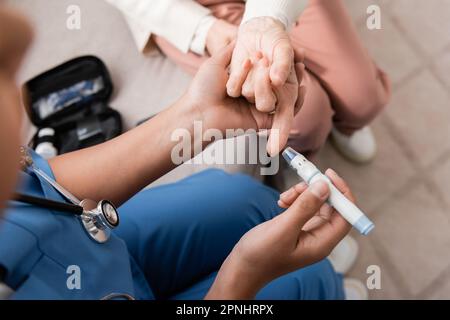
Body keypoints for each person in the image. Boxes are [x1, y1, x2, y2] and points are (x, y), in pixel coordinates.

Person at [0, 4, 361, 300]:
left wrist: (198, 116)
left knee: (240, 197)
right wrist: (242, 276)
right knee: (303, 282)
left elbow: (41, 184)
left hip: (88, 244)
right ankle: (325, 287)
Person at [107, 0, 391, 162]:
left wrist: (268, 19)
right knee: (300, 117)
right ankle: (306, 172)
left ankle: (347, 123)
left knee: (363, 97)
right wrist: (203, 29)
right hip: (181, 9)